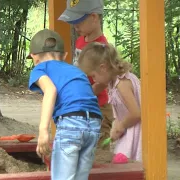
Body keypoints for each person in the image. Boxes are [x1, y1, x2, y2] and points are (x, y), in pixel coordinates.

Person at [28, 29, 102, 180]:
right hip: (94, 122)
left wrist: (43, 130)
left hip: (71, 123)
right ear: (65, 56)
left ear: (34, 57)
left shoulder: (40, 68)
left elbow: (50, 90)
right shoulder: (75, 70)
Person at [58, 0, 114, 145]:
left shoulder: (101, 48)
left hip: (98, 106)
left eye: (79, 22)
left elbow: (102, 83)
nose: (75, 26)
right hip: (82, 105)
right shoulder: (80, 41)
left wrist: (83, 95)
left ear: (94, 17)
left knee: (97, 148)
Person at [78, 42, 141, 162]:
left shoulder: (122, 83)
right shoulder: (112, 84)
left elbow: (136, 113)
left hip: (137, 132)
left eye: (93, 76)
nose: (94, 80)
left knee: (128, 165)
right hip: (129, 129)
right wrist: (116, 125)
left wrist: (121, 126)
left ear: (103, 67)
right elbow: (120, 112)